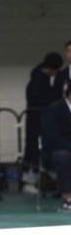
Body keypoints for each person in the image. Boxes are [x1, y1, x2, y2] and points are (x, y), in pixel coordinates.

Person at [22, 52, 63, 192]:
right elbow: (41, 100)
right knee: (33, 148)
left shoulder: (46, 77)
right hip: (36, 120)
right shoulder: (37, 80)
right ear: (51, 69)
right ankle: (29, 180)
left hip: (45, 119)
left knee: (44, 148)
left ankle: (49, 179)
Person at [41, 84, 71, 212]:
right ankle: (67, 197)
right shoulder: (53, 110)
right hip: (54, 151)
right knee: (64, 157)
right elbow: (52, 138)